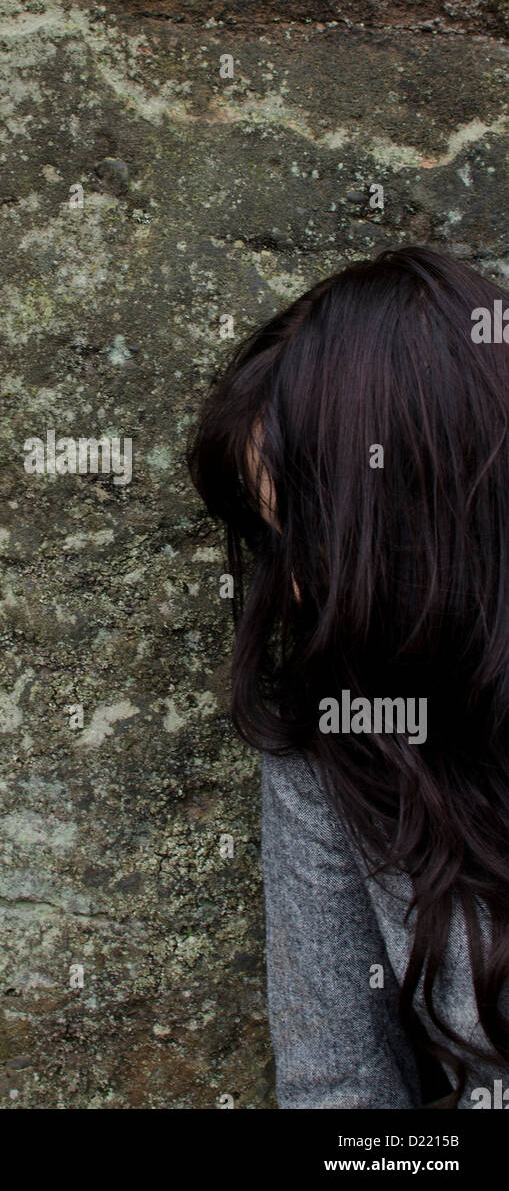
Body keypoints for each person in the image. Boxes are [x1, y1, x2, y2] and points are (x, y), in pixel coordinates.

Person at [187, 246, 509, 1108]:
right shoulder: (334, 741)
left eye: (318, 537)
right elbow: (337, 1086)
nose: (291, 588)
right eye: (273, 542)